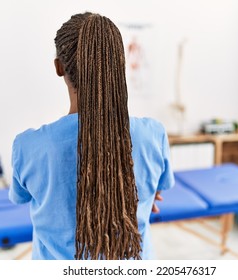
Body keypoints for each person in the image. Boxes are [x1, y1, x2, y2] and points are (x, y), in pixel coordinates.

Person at [9, 12, 174, 260]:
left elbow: (21, 197)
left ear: (59, 67)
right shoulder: (154, 135)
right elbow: (156, 191)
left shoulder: (29, 146)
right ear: (120, 63)